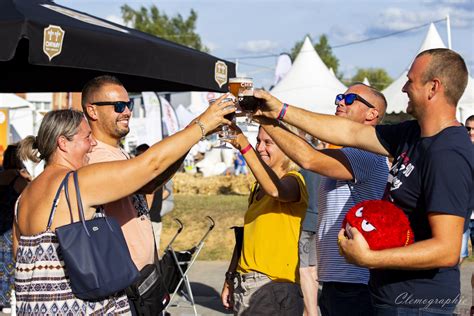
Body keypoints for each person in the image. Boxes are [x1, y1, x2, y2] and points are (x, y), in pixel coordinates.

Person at [253, 48, 473, 315]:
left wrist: (370, 258)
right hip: (388, 295)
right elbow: (348, 131)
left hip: (417, 303)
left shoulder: (448, 153)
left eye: (410, 80)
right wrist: (280, 110)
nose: (403, 87)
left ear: (433, 87)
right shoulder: (412, 134)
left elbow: (447, 250)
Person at [13, 96, 233, 313]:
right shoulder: (77, 182)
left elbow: (19, 259)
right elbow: (150, 165)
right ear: (63, 142)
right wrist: (201, 125)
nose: (92, 145)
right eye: (87, 137)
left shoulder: (23, 198)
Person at [256, 83, 389, 316]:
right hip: (338, 278)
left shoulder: (367, 153)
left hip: (355, 281)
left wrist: (268, 118)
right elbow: (306, 152)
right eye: (339, 97)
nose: (340, 102)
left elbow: (309, 159)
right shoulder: (349, 151)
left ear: (372, 114)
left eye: (350, 100)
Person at [81, 75, 183, 272]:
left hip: (141, 277)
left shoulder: (119, 152)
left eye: (128, 104)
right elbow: (149, 178)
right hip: (122, 280)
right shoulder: (94, 155)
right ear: (92, 110)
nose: (127, 112)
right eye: (119, 106)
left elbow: (152, 181)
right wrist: (198, 129)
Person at [220, 125, 308, 315]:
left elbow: (277, 191)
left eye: (268, 142)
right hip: (248, 282)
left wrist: (245, 147)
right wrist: (230, 277)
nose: (259, 148)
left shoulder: (295, 181)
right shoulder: (257, 187)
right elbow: (246, 236)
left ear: (288, 147)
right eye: (258, 141)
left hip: (272, 285)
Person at [0, 144, 31, 313]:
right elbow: (30, 199)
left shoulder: (1, 176)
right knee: (11, 262)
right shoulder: (19, 180)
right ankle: (6, 301)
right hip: (11, 228)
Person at [461, 115, 474, 261]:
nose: (471, 132)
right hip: (462, 214)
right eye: (468, 128)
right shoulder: (458, 151)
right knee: (456, 259)